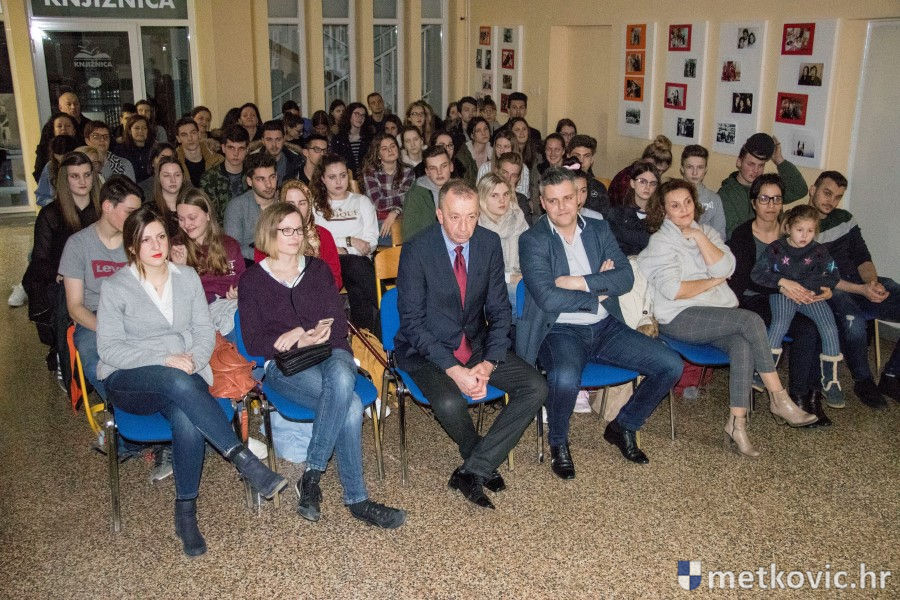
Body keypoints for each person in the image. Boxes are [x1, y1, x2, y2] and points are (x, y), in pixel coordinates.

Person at [97, 206, 286, 556]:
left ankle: (185, 513)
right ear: (131, 247)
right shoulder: (115, 287)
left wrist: (193, 361)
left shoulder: (186, 278)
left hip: (185, 375)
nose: (157, 245)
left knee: (185, 415)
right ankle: (242, 458)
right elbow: (109, 349)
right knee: (175, 380)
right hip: (129, 379)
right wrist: (165, 357)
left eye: (161, 237)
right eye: (146, 240)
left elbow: (203, 332)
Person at [238, 203, 405, 528]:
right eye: (286, 230)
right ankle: (357, 500)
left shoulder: (317, 270)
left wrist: (308, 332)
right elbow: (254, 341)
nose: (294, 236)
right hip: (286, 365)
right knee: (351, 405)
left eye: (298, 229)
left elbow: (338, 324)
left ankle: (311, 476)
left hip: (332, 351)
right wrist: (297, 338)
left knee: (342, 375)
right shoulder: (252, 281)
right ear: (268, 233)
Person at [517, 168, 682, 474]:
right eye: (553, 201)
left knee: (670, 365)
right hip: (560, 329)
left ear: (578, 197)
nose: (562, 207)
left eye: (568, 198)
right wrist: (597, 292)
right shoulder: (532, 240)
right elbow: (548, 298)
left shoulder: (598, 228)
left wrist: (579, 282)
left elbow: (625, 277)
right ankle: (558, 442)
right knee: (564, 378)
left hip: (606, 326)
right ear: (542, 202)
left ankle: (624, 425)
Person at [637, 179, 817, 458]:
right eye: (675, 205)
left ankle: (737, 424)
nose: (684, 209)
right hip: (678, 317)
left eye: (687, 202)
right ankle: (779, 398)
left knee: (741, 345)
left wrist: (700, 238)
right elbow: (675, 290)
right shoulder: (661, 242)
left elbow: (728, 267)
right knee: (751, 320)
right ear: (663, 210)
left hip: (713, 314)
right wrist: (712, 282)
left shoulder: (706, 231)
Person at [395, 180, 546, 508]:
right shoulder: (417, 249)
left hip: (475, 342)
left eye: (472, 217)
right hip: (425, 348)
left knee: (535, 386)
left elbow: (500, 310)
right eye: (455, 217)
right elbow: (412, 324)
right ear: (439, 215)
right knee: (451, 402)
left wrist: (488, 362)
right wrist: (455, 370)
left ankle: (473, 468)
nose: (464, 228)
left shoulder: (488, 243)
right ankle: (476, 453)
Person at [726, 174, 830, 425]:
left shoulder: (794, 230)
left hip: (793, 297)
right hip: (755, 299)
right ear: (754, 202)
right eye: (764, 199)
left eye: (777, 199)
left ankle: (807, 395)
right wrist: (781, 284)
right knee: (803, 328)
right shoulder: (743, 235)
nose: (771, 205)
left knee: (817, 325)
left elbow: (814, 266)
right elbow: (742, 281)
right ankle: (791, 399)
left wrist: (823, 288)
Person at [811, 171, 900, 406]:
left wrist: (872, 282)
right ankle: (863, 381)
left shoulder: (845, 219)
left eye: (837, 197)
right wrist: (862, 290)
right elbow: (818, 275)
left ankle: (892, 376)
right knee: (855, 321)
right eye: (827, 193)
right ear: (813, 190)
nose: (831, 201)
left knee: (889, 288)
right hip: (830, 288)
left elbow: (862, 257)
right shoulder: (801, 223)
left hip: (859, 282)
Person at [59, 176, 144, 403]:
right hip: (95, 317)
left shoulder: (138, 241)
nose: (136, 219)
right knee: (94, 360)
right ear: (107, 207)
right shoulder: (78, 244)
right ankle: (123, 406)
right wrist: (110, 329)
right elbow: (75, 307)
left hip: (135, 313)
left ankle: (143, 401)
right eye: (130, 212)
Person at [751, 204, 844, 407]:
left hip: (809, 296)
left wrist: (821, 288)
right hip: (784, 295)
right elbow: (757, 274)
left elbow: (833, 275)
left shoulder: (819, 251)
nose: (805, 235)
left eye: (810, 230)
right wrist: (780, 282)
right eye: (799, 229)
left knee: (829, 327)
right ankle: (763, 371)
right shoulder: (776, 249)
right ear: (788, 228)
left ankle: (830, 381)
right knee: (780, 324)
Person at [23, 152, 101, 369]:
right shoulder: (50, 214)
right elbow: (40, 259)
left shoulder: (103, 210)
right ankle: (64, 352)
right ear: (65, 180)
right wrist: (62, 274)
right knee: (64, 295)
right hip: (61, 277)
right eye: (75, 176)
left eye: (87, 175)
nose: (83, 181)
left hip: (98, 274)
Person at [311, 153, 380, 332]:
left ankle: (365, 338)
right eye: (332, 177)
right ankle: (390, 307)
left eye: (343, 175)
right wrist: (350, 241)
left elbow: (371, 242)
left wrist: (344, 249)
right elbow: (317, 240)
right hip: (329, 264)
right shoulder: (315, 207)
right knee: (357, 269)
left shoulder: (361, 201)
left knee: (358, 290)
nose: (339, 181)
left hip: (359, 262)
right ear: (322, 179)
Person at [170, 188, 245, 335]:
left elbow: (244, 280)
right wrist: (181, 268)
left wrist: (238, 291)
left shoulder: (229, 245)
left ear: (208, 215)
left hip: (231, 305)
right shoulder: (176, 248)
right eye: (181, 219)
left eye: (192, 217)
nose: (186, 224)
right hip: (199, 312)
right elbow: (174, 298)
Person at [718, 132, 807, 239]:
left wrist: (779, 160)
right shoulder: (727, 194)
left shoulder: (768, 189)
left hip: (776, 244)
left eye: (761, 165)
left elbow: (799, 190)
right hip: (751, 245)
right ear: (739, 162)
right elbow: (733, 233)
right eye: (751, 164)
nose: (755, 170)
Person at [476, 174, 528, 314]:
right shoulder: (475, 224)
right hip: (489, 286)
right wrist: (509, 277)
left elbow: (530, 253)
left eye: (505, 194)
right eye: (494, 195)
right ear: (482, 198)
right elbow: (479, 272)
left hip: (521, 277)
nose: (502, 200)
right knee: (522, 299)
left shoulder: (518, 217)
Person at [361, 132, 414, 245]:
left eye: (393, 146)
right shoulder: (371, 172)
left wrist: (395, 212)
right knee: (399, 237)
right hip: (379, 220)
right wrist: (401, 202)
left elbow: (410, 199)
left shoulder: (408, 171)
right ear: (378, 154)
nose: (390, 150)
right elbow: (378, 203)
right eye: (384, 149)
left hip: (403, 219)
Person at [225, 152, 278, 263]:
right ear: (249, 181)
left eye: (272, 177)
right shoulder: (237, 206)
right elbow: (233, 248)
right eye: (261, 179)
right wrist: (265, 258)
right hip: (250, 263)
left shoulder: (286, 200)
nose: (269, 184)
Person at [605, 162, 659, 255]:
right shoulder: (617, 214)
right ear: (632, 183)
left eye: (653, 183)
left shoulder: (661, 216)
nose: (647, 187)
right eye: (642, 181)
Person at [199, 125, 250, 223]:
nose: (236, 153)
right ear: (223, 148)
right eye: (231, 148)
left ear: (247, 149)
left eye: (241, 148)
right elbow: (209, 216)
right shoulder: (209, 178)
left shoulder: (254, 175)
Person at [402, 145, 454, 241]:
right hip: (428, 246)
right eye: (433, 168)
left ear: (451, 167)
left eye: (444, 166)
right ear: (427, 172)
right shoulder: (416, 195)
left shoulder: (460, 190)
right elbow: (410, 237)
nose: (439, 172)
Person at [608, 135, 672, 206]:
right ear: (644, 161)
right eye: (656, 170)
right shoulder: (625, 181)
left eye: (662, 171)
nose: (657, 174)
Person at [679, 145, 727, 239]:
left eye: (700, 167)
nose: (695, 173)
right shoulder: (670, 195)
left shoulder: (714, 199)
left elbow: (720, 235)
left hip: (705, 245)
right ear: (682, 168)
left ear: (706, 169)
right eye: (689, 167)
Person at [566, 134, 610, 215]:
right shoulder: (558, 183)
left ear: (592, 160)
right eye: (577, 155)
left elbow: (604, 218)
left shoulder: (599, 188)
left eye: (586, 156)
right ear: (568, 156)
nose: (581, 160)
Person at [175, 116, 223, 188]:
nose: (190, 138)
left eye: (193, 133)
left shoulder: (218, 160)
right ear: (178, 138)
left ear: (199, 134)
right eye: (184, 135)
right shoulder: (174, 163)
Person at [31, 112, 79, 185]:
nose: (63, 129)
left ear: (74, 131)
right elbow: (39, 174)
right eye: (59, 126)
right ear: (53, 130)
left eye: (68, 126)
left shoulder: (80, 149)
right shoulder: (44, 150)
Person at [34, 134, 79, 207]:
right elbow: (41, 197)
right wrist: (55, 203)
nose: (61, 161)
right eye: (58, 158)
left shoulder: (82, 165)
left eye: (65, 157)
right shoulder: (50, 167)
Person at [330, 102, 372, 178]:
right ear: (349, 115)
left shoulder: (370, 138)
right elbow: (334, 163)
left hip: (368, 179)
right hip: (345, 179)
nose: (360, 118)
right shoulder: (338, 139)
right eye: (356, 114)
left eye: (363, 115)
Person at [151, 155, 190, 237]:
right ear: (158, 178)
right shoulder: (150, 212)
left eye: (177, 175)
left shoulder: (193, 205)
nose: (173, 180)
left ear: (183, 177)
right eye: (166, 175)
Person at [257, 119, 301, 186]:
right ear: (263, 141)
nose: (274, 145)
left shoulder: (297, 161)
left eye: (278, 139)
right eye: (269, 140)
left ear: (284, 139)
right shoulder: (253, 161)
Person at [113, 115, 154, 184]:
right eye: (137, 128)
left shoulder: (153, 149)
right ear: (129, 130)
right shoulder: (120, 150)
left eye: (144, 128)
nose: (141, 131)